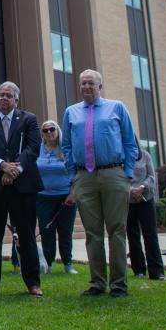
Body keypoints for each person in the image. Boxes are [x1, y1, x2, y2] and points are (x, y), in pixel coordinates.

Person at [61, 69, 138, 298]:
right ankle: (97, 283)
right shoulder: (71, 112)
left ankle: (118, 285)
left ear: (100, 86)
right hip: (84, 177)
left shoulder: (117, 108)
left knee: (116, 230)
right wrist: (73, 176)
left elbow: (129, 143)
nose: (86, 87)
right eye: (83, 83)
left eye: (91, 83)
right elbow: (66, 146)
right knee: (93, 232)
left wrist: (128, 173)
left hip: (114, 173)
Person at [0, 81, 43, 296]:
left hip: (23, 187)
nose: (4, 98)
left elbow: (33, 148)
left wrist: (16, 169)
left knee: (26, 234)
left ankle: (33, 283)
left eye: (8, 95)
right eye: (1, 95)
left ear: (16, 99)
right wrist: (2, 166)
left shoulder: (28, 119)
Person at [35, 119, 77, 275]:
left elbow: (75, 171)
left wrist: (73, 193)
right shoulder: (38, 149)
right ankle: (48, 265)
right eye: (45, 130)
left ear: (58, 130)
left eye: (52, 129)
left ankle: (68, 264)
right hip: (43, 197)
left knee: (65, 231)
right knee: (47, 232)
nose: (49, 132)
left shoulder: (66, 149)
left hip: (65, 197)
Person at [126, 148, 166, 280]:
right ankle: (139, 270)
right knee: (133, 235)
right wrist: (132, 191)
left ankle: (157, 271)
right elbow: (119, 179)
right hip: (128, 201)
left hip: (146, 198)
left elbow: (151, 176)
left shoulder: (145, 155)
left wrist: (142, 188)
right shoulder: (121, 157)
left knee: (150, 235)